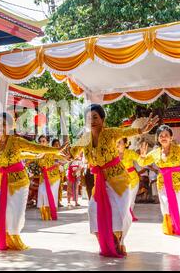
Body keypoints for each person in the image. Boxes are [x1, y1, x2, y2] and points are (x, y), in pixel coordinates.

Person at [0, 113, 67, 251]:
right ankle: (4, 237)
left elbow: (35, 147)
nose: (0, 127)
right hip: (2, 182)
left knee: (15, 213)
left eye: (3, 124)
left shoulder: (16, 141)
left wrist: (56, 150)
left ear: (10, 126)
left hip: (19, 182)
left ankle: (14, 236)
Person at [68, 104, 159, 257]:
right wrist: (64, 153)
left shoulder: (110, 133)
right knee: (92, 210)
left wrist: (140, 130)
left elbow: (125, 131)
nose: (92, 121)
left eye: (95, 117)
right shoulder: (85, 138)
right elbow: (72, 151)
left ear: (102, 119)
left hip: (118, 180)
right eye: (89, 118)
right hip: (100, 182)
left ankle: (119, 241)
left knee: (121, 214)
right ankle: (106, 242)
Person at [35, 135, 67, 220]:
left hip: (54, 177)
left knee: (50, 195)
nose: (42, 143)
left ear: (47, 142)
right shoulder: (38, 153)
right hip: (44, 177)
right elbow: (30, 160)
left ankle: (51, 213)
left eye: (43, 141)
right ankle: (45, 215)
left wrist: (59, 163)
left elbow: (64, 158)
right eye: (40, 141)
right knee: (41, 193)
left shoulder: (52, 151)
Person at [117, 138, 140, 222]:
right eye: (116, 142)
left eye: (119, 142)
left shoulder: (130, 153)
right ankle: (123, 215)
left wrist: (143, 156)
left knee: (131, 199)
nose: (117, 143)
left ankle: (129, 215)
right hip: (119, 180)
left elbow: (141, 160)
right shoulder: (113, 155)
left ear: (125, 144)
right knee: (121, 199)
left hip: (133, 179)